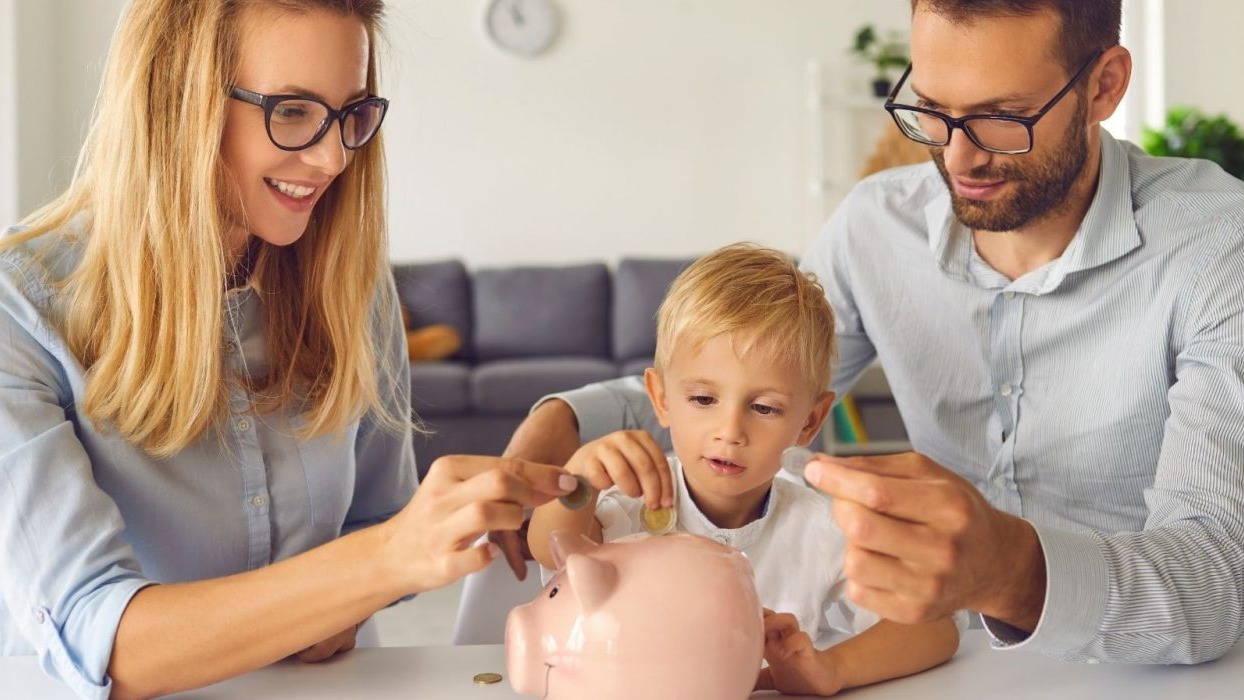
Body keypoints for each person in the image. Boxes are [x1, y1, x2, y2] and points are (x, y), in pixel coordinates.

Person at [501, 0, 1244, 665]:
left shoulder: (1217, 247)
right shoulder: (876, 225)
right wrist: (568, 417)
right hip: (936, 665)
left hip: (1143, 671)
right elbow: (748, 379)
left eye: (1002, 117)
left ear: (1105, 86)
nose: (956, 158)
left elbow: (1216, 583)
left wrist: (1011, 573)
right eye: (932, 109)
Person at [0, 1, 576, 698]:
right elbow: (100, 641)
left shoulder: (351, 286)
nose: (333, 158)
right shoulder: (20, 308)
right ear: (177, 101)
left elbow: (375, 519)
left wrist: (361, 591)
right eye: (292, 111)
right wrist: (378, 565)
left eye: (350, 113)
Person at [526, 244, 960, 696]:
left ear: (810, 421)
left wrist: (832, 668)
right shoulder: (633, 503)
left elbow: (935, 626)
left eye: (764, 408)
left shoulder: (821, 527)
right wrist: (579, 482)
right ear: (661, 398)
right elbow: (550, 547)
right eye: (703, 399)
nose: (730, 431)